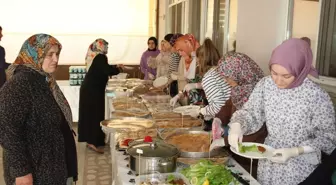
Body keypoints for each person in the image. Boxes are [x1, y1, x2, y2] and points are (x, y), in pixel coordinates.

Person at [228, 38, 336, 185]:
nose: (278, 81)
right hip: (269, 161)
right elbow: (251, 112)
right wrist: (237, 125)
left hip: (301, 168)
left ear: (300, 70)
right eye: (274, 73)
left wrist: (295, 151)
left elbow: (328, 137)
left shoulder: (315, 95)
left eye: (286, 76)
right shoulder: (266, 85)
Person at [0, 34, 78, 185]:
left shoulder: (43, 79)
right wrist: (21, 171)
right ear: (35, 54)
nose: (55, 59)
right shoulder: (20, 83)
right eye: (50, 54)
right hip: (36, 173)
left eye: (57, 54)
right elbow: (6, 128)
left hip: (51, 167)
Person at [209, 52, 265, 178]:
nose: (226, 81)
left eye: (228, 78)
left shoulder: (258, 91)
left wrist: (224, 141)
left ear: (241, 73)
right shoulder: (239, 87)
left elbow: (256, 132)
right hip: (236, 147)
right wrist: (218, 118)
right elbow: (229, 103)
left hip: (252, 153)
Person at [78, 38, 121, 154]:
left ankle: (91, 140)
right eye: (105, 46)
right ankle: (93, 141)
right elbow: (106, 70)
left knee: (90, 114)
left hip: (90, 89)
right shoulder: (100, 57)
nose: (106, 48)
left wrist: (115, 67)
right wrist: (118, 69)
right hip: (93, 91)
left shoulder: (95, 56)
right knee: (94, 115)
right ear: (100, 46)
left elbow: (103, 68)